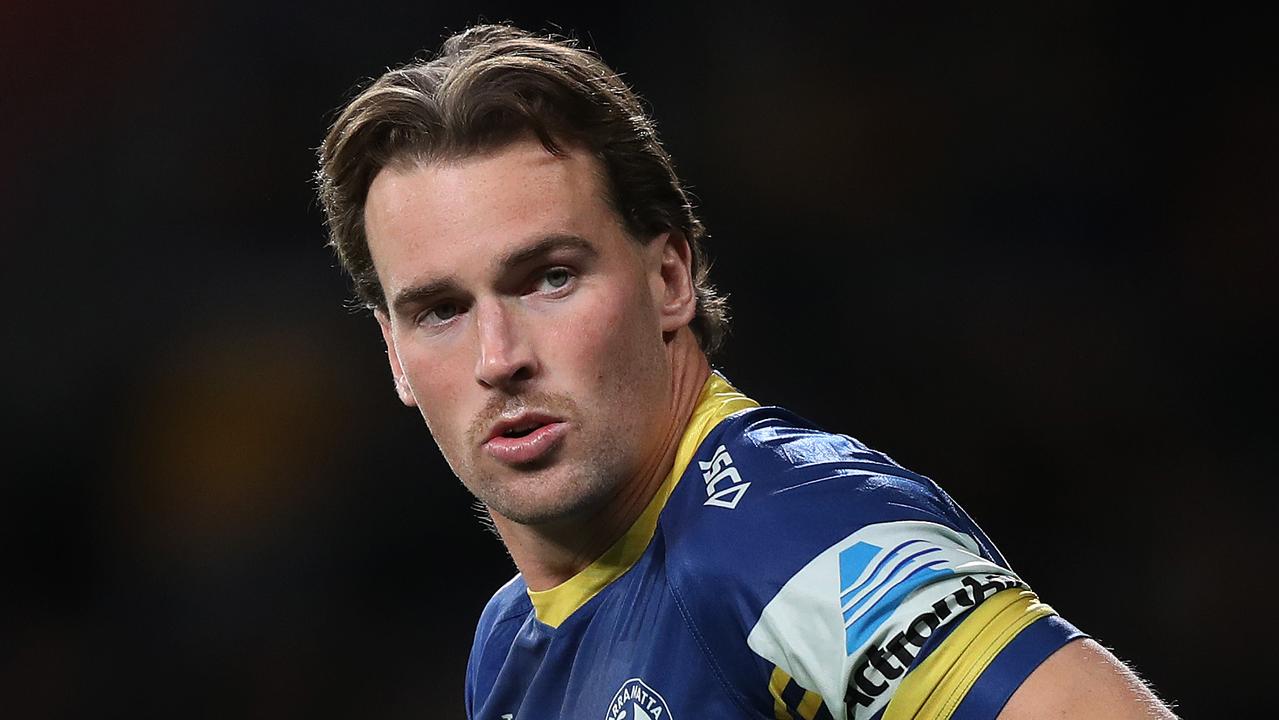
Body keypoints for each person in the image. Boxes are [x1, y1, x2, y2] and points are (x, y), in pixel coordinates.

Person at [316, 23, 1175, 720]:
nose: (499, 357)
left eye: (549, 278)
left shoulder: (785, 533)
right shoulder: (509, 649)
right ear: (393, 352)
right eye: (441, 311)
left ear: (669, 279)